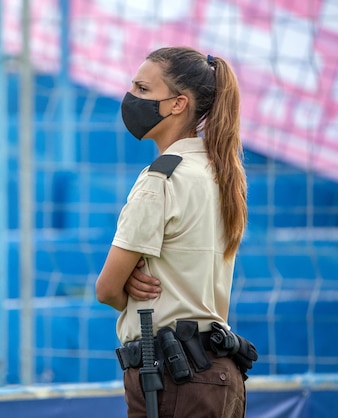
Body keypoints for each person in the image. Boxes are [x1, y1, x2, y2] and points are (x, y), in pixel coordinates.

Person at [95, 46, 257, 417]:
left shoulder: (161, 178)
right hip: (218, 374)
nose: (131, 97)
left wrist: (127, 287)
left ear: (178, 104)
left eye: (143, 89)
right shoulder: (221, 173)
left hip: (173, 378)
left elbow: (106, 289)